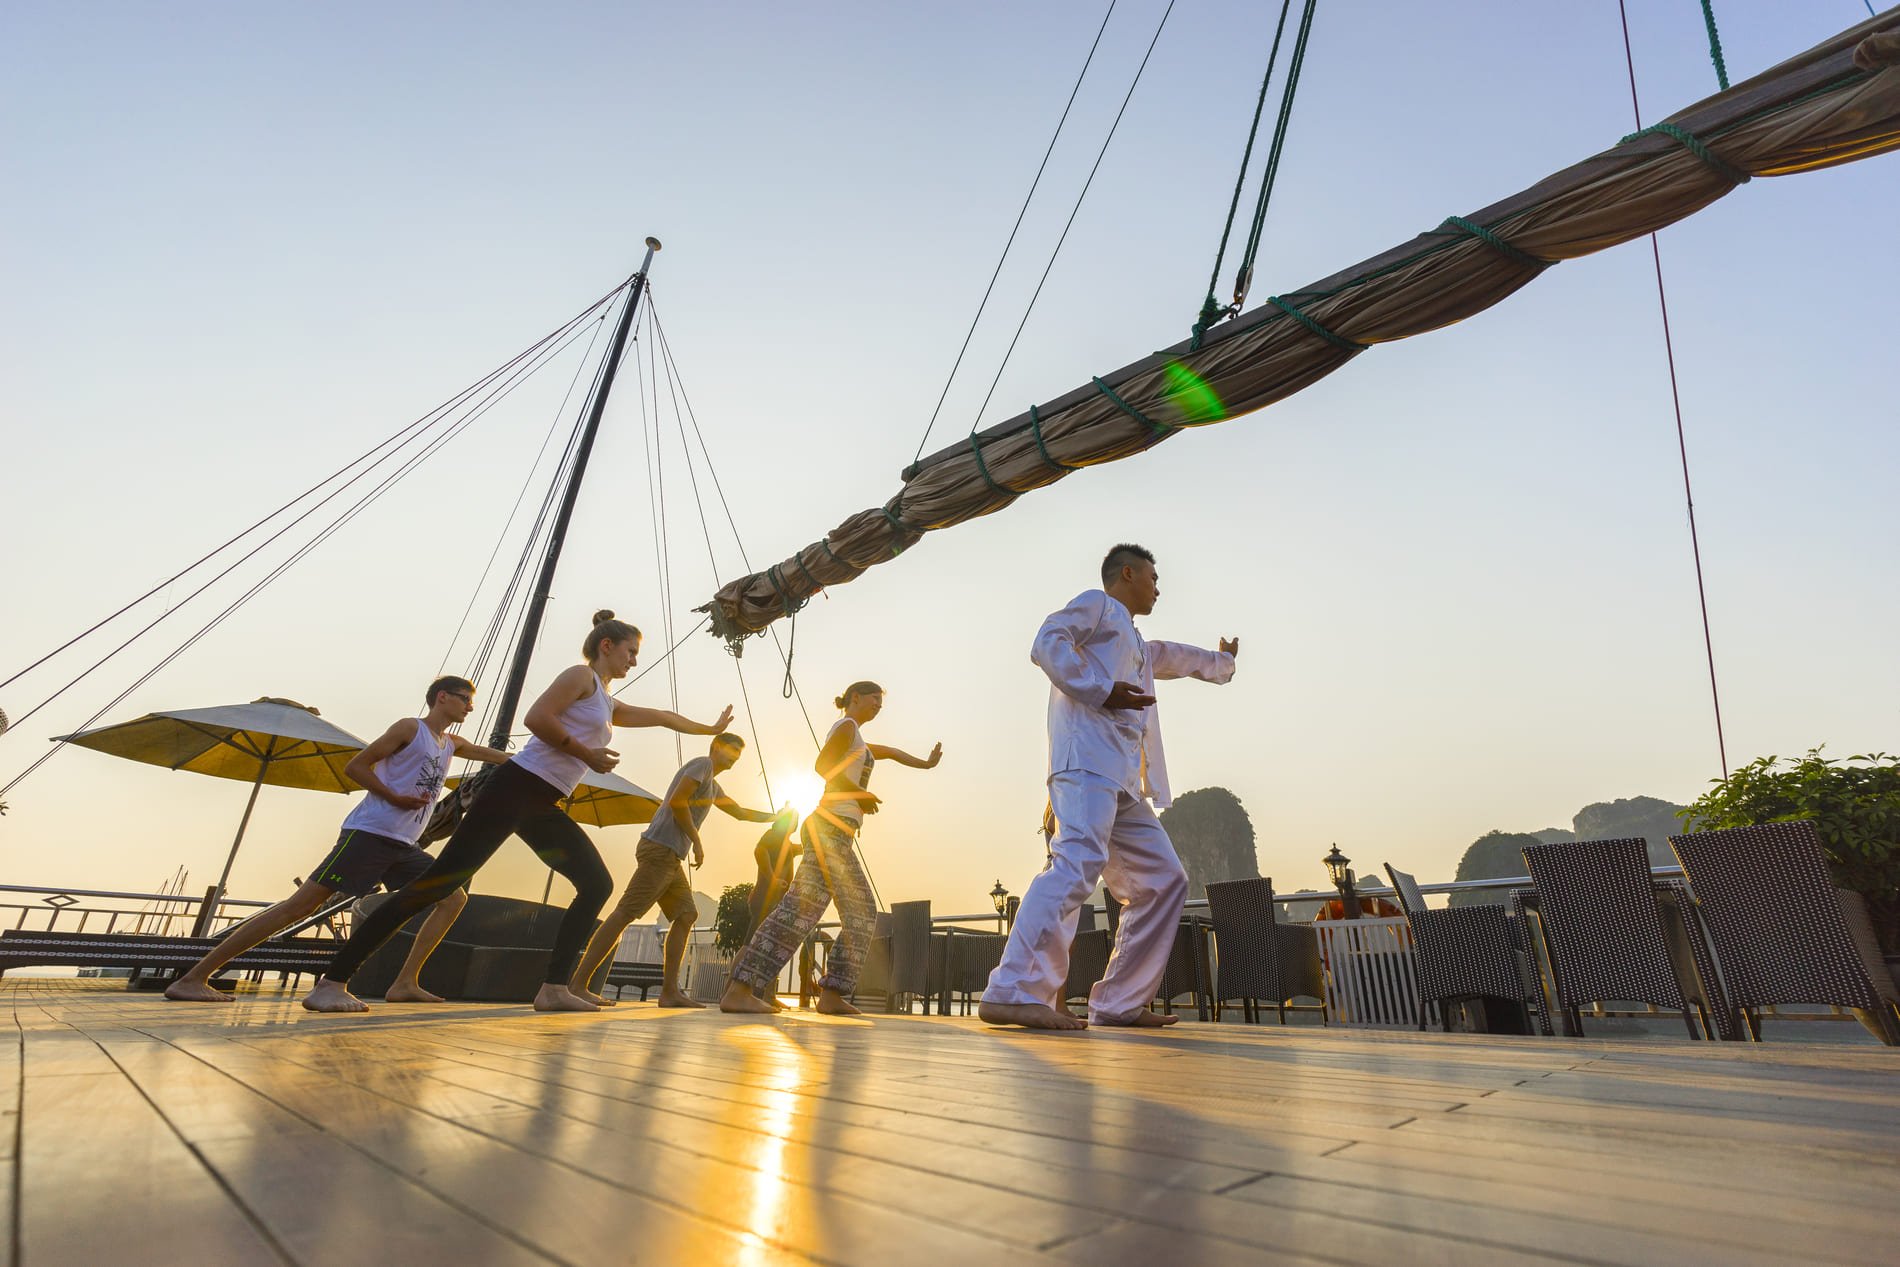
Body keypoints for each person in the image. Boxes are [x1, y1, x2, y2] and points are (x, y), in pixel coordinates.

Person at [302, 610, 733, 1014]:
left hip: (540, 801)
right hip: (512, 790)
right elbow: (536, 718)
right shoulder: (580, 677)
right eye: (630, 652)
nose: (634, 661)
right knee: (435, 886)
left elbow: (661, 716)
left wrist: (709, 729)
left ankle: (553, 988)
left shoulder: (607, 700)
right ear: (607, 646)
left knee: (595, 883)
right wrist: (586, 753)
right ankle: (332, 982)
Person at [979, 544, 1237, 1031]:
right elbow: (1047, 640)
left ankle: (1118, 1002)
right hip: (1085, 761)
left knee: (1164, 880)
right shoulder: (1097, 606)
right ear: (1128, 573)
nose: (1158, 588)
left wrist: (1223, 661)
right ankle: (1013, 990)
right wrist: (1099, 689)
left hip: (1122, 779)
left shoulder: (1135, 643)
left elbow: (1175, 656)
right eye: (1153, 578)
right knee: (1076, 864)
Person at [165, 676, 508, 1002]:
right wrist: (394, 797)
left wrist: (535, 758)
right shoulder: (409, 729)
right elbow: (356, 766)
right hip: (370, 834)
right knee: (299, 907)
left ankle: (405, 983)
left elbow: (501, 757)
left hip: (404, 846)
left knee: (452, 898)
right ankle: (193, 979)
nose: (470, 707)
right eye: (465, 699)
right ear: (442, 697)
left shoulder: (451, 744)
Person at [719, 681, 941, 1016]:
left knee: (804, 913)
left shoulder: (857, 738)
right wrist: (859, 794)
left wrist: (925, 764)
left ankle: (766, 990)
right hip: (828, 830)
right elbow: (823, 766)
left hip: (834, 832)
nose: (878, 704)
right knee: (856, 910)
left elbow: (892, 752)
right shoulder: (846, 727)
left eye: (881, 701)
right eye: (874, 698)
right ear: (855, 698)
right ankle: (812, 992)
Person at [568, 733, 782, 1007]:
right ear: (716, 747)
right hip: (660, 849)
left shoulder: (713, 785)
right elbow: (678, 802)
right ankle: (578, 985)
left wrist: (776, 816)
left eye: (738, 755)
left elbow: (739, 813)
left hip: (671, 856)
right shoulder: (702, 764)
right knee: (625, 912)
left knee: (686, 914)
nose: (734, 758)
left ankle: (669, 992)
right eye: (731, 751)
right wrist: (697, 841)